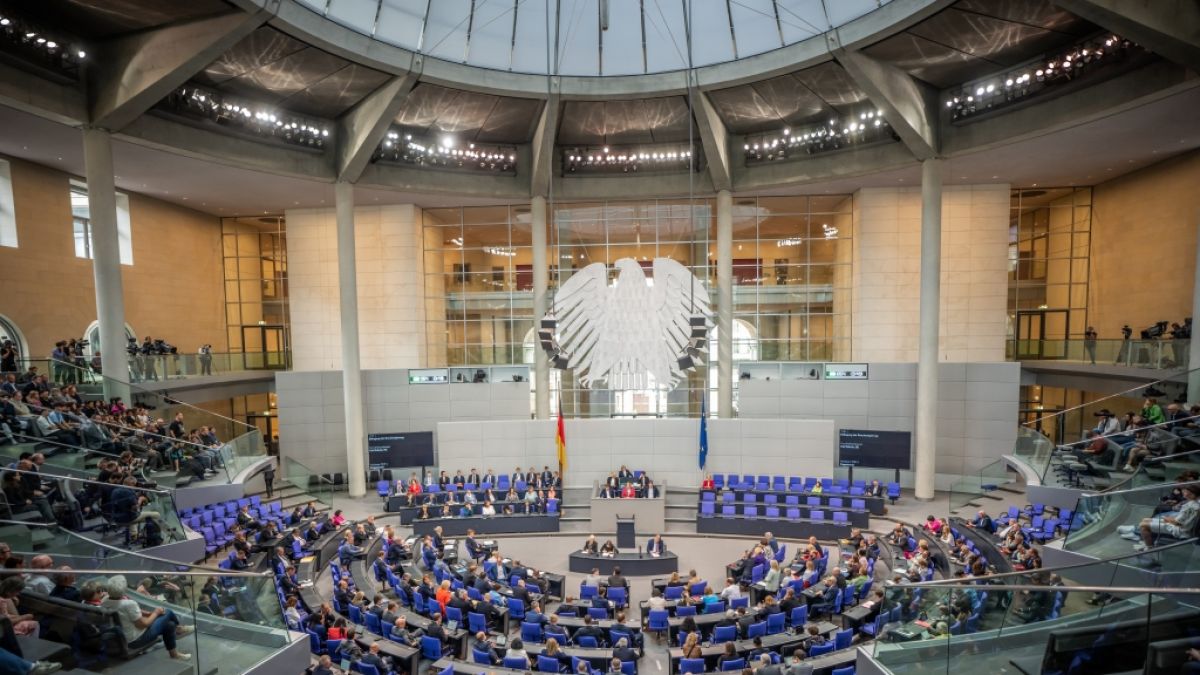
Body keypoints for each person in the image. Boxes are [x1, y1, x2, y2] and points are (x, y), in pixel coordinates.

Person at [102, 576, 194, 661]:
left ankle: (174, 654)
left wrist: (149, 613)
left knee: (169, 625)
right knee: (168, 612)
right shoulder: (128, 604)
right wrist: (156, 612)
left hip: (123, 638)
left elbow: (130, 613)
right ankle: (179, 629)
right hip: (136, 640)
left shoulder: (105, 600)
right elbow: (144, 624)